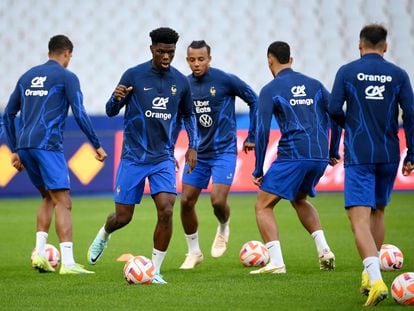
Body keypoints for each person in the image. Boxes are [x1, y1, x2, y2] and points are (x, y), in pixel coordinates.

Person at [87, 27, 198, 284]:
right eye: (161, 51)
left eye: (171, 52)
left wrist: (193, 145)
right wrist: (115, 100)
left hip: (162, 159)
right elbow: (111, 110)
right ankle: (105, 233)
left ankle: (155, 270)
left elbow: (189, 115)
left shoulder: (181, 82)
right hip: (133, 158)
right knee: (123, 217)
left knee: (166, 210)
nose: (166, 56)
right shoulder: (134, 75)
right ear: (152, 49)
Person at [3, 34, 107, 274]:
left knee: (48, 198)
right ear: (67, 53)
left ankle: (39, 253)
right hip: (48, 146)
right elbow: (80, 113)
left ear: (49, 51)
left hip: (26, 146)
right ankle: (68, 263)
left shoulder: (27, 76)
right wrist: (97, 145)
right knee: (63, 201)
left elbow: (8, 114)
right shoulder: (67, 77)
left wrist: (16, 148)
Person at [329, 23, 414, 306]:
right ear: (385, 47)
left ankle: (376, 281)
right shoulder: (399, 74)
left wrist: (349, 123)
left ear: (360, 44)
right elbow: (411, 115)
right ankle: (369, 275)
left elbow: (332, 109)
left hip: (359, 151)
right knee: (378, 212)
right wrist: (412, 154)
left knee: (358, 220)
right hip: (390, 152)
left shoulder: (347, 71)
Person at [250, 41, 341, 275]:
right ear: (291, 59)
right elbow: (337, 116)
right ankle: (324, 250)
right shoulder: (315, 85)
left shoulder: (271, 89)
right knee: (299, 199)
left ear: (270, 60)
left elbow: (261, 131)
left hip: (294, 154)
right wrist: (332, 151)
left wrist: (258, 168)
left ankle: (277, 263)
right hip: (319, 155)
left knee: (263, 205)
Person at [178, 40, 258, 269]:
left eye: (201, 59)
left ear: (209, 59)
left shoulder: (225, 80)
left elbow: (254, 99)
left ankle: (223, 227)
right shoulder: (184, 86)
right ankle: (194, 252)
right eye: (192, 59)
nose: (196, 64)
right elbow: (175, 118)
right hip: (197, 153)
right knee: (185, 201)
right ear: (187, 60)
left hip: (224, 151)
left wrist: (252, 135)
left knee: (218, 200)